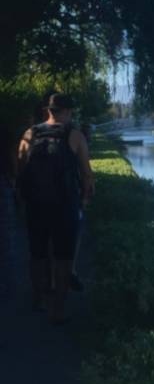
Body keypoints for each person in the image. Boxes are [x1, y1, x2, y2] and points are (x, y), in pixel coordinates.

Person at [15, 92, 93, 322]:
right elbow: (86, 174)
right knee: (64, 258)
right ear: (68, 112)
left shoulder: (30, 134)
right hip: (65, 205)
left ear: (49, 110)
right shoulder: (75, 135)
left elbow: (20, 169)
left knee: (37, 255)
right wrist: (86, 197)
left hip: (36, 205)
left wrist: (22, 197)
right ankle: (57, 310)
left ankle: (38, 300)